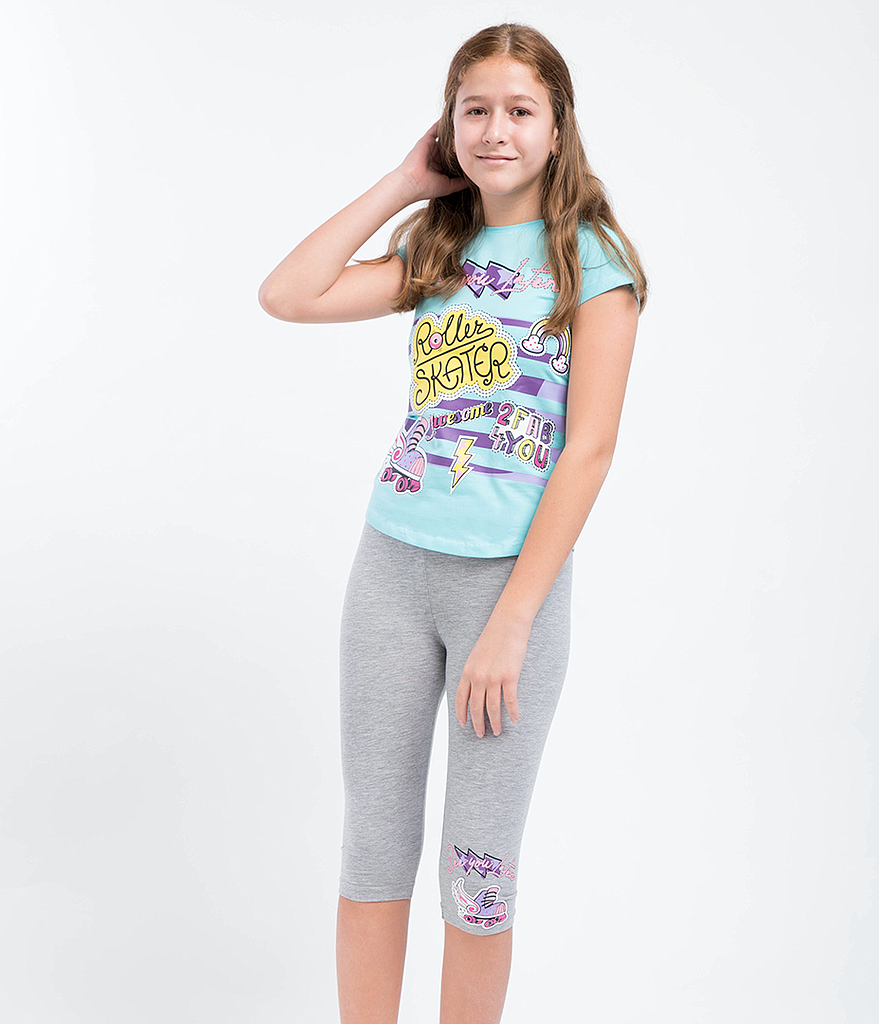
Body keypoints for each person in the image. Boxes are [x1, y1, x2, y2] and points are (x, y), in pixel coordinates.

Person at [259, 22, 647, 1024]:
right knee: (374, 844)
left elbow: (589, 450)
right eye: (474, 110)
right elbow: (288, 296)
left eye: (519, 110)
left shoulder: (592, 260)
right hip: (391, 569)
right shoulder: (437, 247)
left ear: (557, 127)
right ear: (448, 125)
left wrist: (513, 622)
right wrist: (403, 184)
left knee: (479, 866)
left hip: (505, 591)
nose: (495, 130)